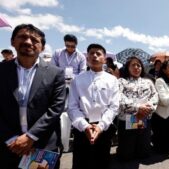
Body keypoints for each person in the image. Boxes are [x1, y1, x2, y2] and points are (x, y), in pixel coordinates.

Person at [0, 24, 66, 168]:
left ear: (42, 47)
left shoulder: (56, 73)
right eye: (22, 37)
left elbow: (56, 108)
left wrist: (30, 137)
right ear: (12, 42)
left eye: (34, 40)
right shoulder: (1, 71)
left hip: (43, 144)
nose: (28, 42)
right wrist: (12, 139)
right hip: (9, 145)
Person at [68, 44, 119, 169]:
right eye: (91, 53)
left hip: (104, 127)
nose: (94, 56)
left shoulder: (112, 80)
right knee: (81, 162)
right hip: (82, 127)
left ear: (105, 59)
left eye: (98, 53)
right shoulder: (77, 80)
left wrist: (101, 126)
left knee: (102, 161)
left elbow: (114, 106)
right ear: (87, 58)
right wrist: (85, 126)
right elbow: (72, 106)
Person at [117, 56, 158, 161]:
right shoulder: (121, 81)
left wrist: (148, 107)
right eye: (133, 65)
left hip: (143, 117)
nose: (136, 67)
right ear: (128, 68)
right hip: (127, 119)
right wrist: (138, 107)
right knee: (127, 153)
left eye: (138, 65)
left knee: (143, 150)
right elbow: (119, 98)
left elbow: (154, 96)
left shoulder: (148, 82)